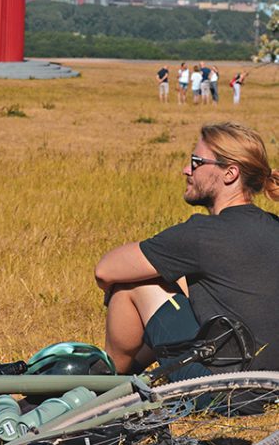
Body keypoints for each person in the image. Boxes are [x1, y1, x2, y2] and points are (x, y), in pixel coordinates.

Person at [95, 122, 279, 377]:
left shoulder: (203, 234)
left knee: (134, 285)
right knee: (173, 280)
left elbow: (105, 271)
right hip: (268, 386)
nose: (186, 170)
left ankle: (106, 384)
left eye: (196, 162)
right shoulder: (272, 225)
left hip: (219, 389)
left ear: (230, 173)